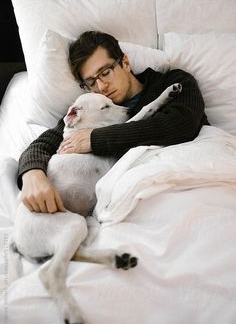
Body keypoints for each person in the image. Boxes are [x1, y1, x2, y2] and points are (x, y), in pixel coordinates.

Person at [17, 31, 209, 214]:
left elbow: (182, 124)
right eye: (91, 82)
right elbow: (44, 143)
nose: (101, 86)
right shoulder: (92, 109)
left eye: (105, 72)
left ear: (125, 62)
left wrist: (95, 139)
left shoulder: (172, 82)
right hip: (120, 203)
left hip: (182, 185)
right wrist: (32, 174)